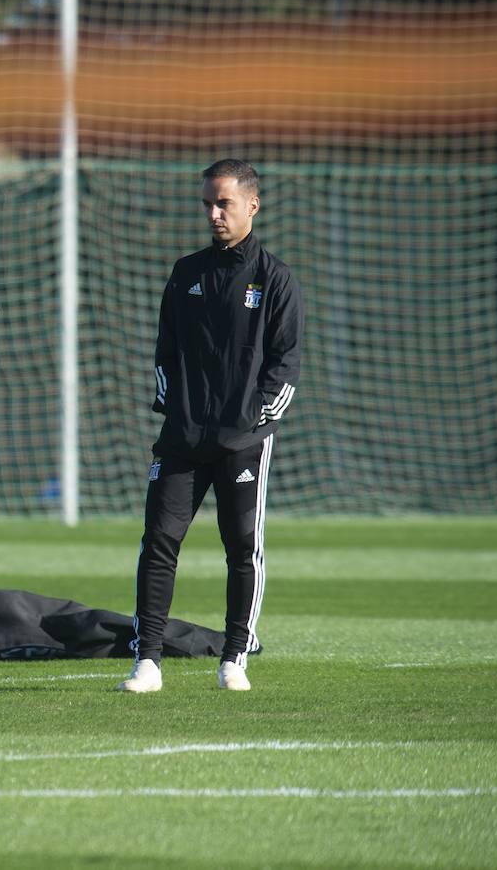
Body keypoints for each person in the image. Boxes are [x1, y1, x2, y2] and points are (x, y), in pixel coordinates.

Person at [117, 159, 304, 694]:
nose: (214, 213)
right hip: (181, 439)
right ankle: (146, 663)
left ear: (252, 205)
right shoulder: (186, 272)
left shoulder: (277, 279)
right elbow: (165, 350)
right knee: (158, 541)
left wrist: (254, 418)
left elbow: (285, 366)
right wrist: (175, 408)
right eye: (207, 204)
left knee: (243, 547)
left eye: (223, 203)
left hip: (243, 442)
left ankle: (233, 659)